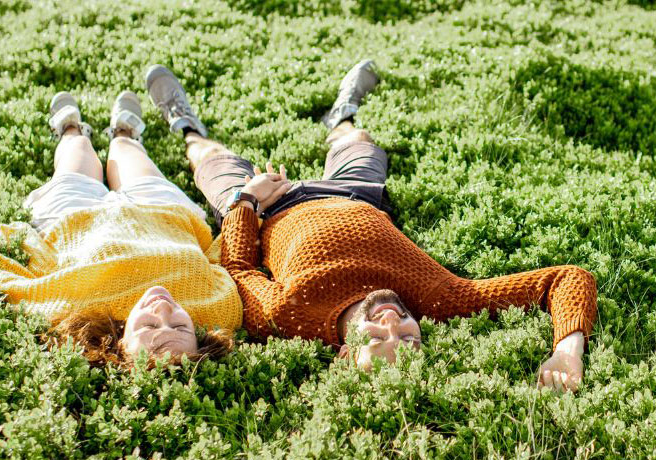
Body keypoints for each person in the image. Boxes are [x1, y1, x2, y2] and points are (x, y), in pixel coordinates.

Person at [142, 61, 598, 391]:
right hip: (354, 195)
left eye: (377, 339)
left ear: (345, 355)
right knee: (358, 140)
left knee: (210, 159)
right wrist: (566, 351)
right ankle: (342, 115)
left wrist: (247, 200)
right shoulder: (439, 298)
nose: (391, 321)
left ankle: (185, 123)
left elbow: (240, 270)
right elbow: (566, 278)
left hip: (270, 207)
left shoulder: (289, 317)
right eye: (408, 340)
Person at [0, 88, 240, 366]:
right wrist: (247, 207)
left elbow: (4, 282)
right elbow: (229, 257)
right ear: (199, 336)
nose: (163, 310)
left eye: (147, 327)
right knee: (128, 154)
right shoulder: (219, 309)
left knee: (77, 152)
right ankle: (124, 132)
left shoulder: (76, 309)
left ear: (120, 343)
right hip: (164, 214)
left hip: (74, 220)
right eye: (179, 328)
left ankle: (69, 128)